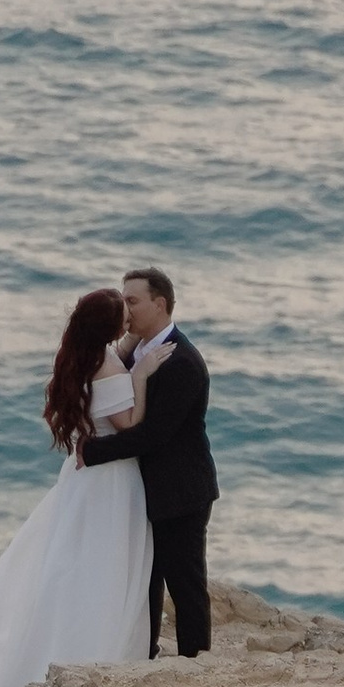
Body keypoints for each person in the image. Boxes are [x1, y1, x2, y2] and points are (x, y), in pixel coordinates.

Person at [0, 285, 153, 687]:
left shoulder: (83, 358)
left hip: (80, 483)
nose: (130, 322)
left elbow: (118, 352)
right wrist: (142, 376)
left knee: (69, 564)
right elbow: (129, 422)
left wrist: (131, 346)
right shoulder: (113, 371)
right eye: (124, 318)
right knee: (105, 565)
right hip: (111, 481)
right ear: (110, 329)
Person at [76, 265, 215, 658]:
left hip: (180, 490)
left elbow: (153, 435)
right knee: (144, 579)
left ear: (160, 304)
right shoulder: (134, 350)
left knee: (184, 581)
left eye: (133, 301)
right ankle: (145, 653)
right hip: (144, 489)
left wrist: (93, 451)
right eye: (123, 301)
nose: (126, 309)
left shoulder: (182, 362)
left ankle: (195, 661)